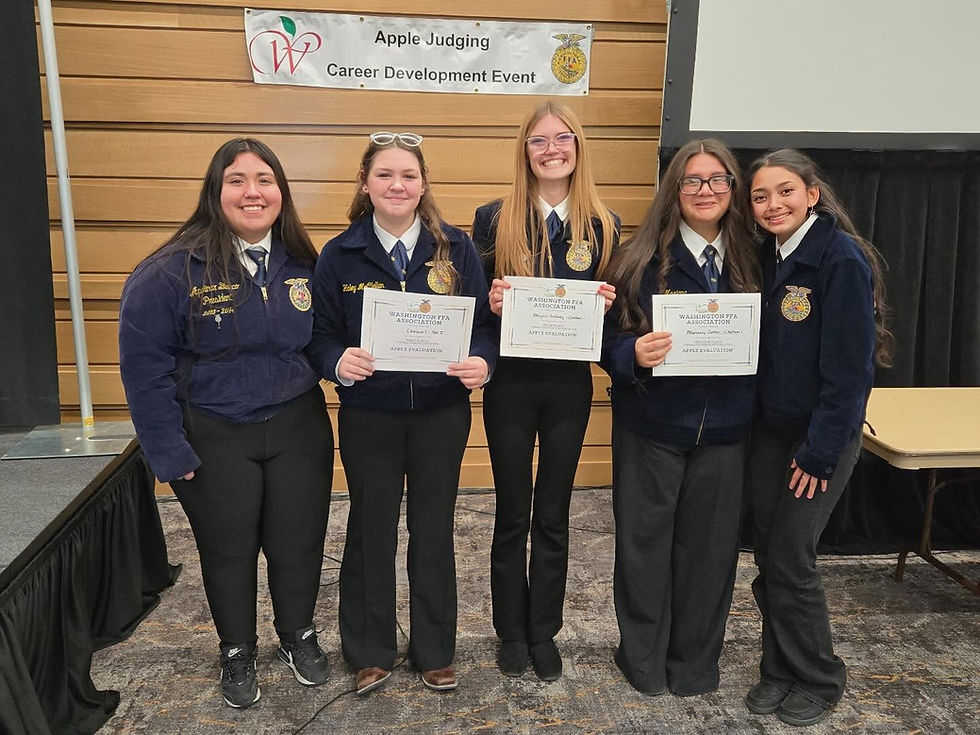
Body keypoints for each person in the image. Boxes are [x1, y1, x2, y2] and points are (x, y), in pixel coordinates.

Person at [118, 138, 334, 709]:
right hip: (212, 433)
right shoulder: (168, 271)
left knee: (299, 542)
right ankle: (236, 649)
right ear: (215, 193)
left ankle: (297, 634)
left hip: (297, 428)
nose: (252, 192)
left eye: (265, 180)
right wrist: (169, 453)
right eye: (237, 180)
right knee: (228, 549)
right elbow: (145, 372)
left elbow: (322, 344)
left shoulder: (306, 265)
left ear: (282, 193)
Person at [308, 131, 497, 696]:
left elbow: (484, 329)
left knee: (435, 529)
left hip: (441, 413)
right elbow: (318, 337)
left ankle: (435, 650)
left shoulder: (456, 249)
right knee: (371, 528)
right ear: (365, 184)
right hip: (371, 414)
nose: (397, 184)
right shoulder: (339, 254)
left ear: (423, 185)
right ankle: (369, 650)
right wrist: (337, 361)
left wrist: (482, 364)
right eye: (385, 175)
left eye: (408, 176)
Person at [599, 139, 759, 696]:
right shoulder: (637, 260)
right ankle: (642, 660)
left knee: (710, 556)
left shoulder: (758, 258)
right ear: (674, 191)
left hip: (728, 435)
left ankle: (694, 667)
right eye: (692, 180)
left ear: (734, 190)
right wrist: (631, 355)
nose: (705, 191)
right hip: (652, 430)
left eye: (718, 180)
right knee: (643, 550)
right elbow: (605, 341)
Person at [743, 149, 892, 726]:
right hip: (770, 435)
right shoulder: (767, 256)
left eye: (785, 191)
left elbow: (851, 372)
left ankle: (820, 675)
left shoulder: (839, 259)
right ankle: (778, 668)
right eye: (760, 196)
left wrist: (821, 452)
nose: (772, 204)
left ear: (812, 194)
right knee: (769, 555)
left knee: (791, 557)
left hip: (818, 441)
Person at [471, 101, 619, 681]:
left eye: (562, 138)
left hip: (567, 387)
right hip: (509, 383)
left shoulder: (602, 223)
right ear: (524, 150)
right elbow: (476, 306)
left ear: (578, 146)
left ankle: (543, 630)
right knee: (511, 512)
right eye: (539, 140)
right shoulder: (492, 217)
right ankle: (510, 630)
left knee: (554, 512)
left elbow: (614, 316)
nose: (551, 148)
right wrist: (491, 301)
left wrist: (604, 308)